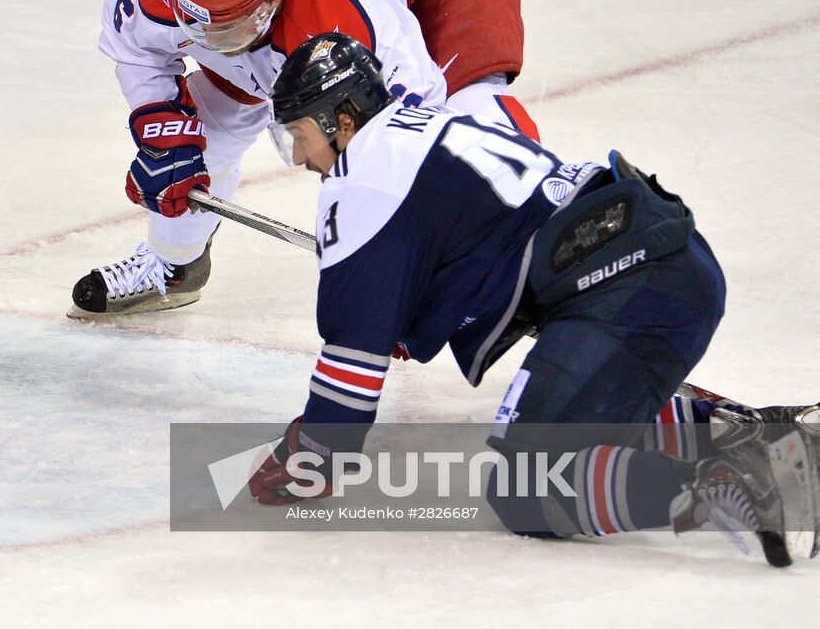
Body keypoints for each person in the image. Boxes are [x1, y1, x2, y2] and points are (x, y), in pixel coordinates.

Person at [243, 31, 819, 567]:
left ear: (342, 120)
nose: (298, 158)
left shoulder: (361, 181)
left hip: (623, 292)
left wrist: (310, 455)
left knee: (526, 489)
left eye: (300, 135)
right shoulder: (419, 125)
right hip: (669, 264)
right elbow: (474, 247)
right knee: (583, 413)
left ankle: (729, 476)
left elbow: (349, 377)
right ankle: (765, 440)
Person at [72, 0, 535, 317]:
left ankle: (521, 247)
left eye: (228, 30)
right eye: (198, 30)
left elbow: (412, 132)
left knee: (472, 110)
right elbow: (138, 51)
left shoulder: (350, 22)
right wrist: (160, 126)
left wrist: (407, 267)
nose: (212, 42)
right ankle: (174, 267)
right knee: (194, 147)